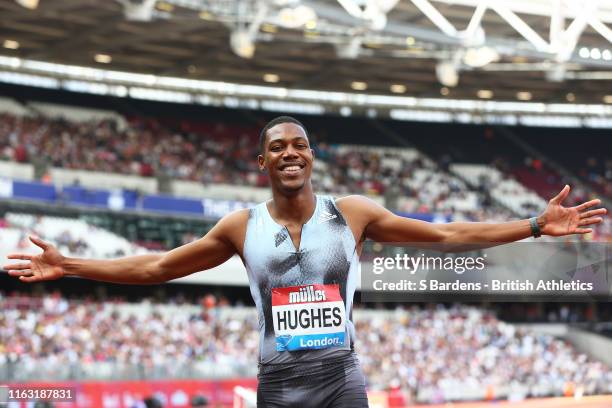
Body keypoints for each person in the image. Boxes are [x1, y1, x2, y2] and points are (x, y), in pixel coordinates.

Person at [4, 116, 607, 408]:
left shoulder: (354, 213)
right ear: (262, 164)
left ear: (311, 158)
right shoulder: (242, 226)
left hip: (342, 376)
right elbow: (159, 267)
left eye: (300, 145)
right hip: (278, 383)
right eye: (277, 148)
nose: (290, 154)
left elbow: (447, 234)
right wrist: (74, 265)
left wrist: (532, 225)